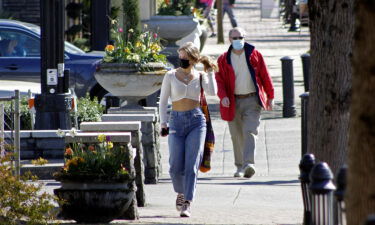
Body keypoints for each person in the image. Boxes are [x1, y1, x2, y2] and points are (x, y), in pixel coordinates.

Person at [159, 42, 217, 217]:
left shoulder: (200, 76)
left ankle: (187, 202)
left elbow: (213, 92)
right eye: (180, 56)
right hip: (176, 120)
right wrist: (163, 123)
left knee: (192, 165)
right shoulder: (170, 75)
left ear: (193, 58)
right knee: (175, 166)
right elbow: (163, 101)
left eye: (185, 57)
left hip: (196, 121)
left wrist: (210, 71)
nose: (182, 59)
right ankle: (180, 192)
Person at [215, 27, 274, 178]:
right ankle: (239, 166)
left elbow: (265, 75)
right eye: (234, 38)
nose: (238, 41)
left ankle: (249, 164)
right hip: (232, 101)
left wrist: (270, 96)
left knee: (250, 131)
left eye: (240, 37)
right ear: (229, 40)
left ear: (245, 38)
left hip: (252, 100)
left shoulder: (255, 55)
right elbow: (219, 81)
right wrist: (223, 96)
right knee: (236, 135)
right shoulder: (223, 59)